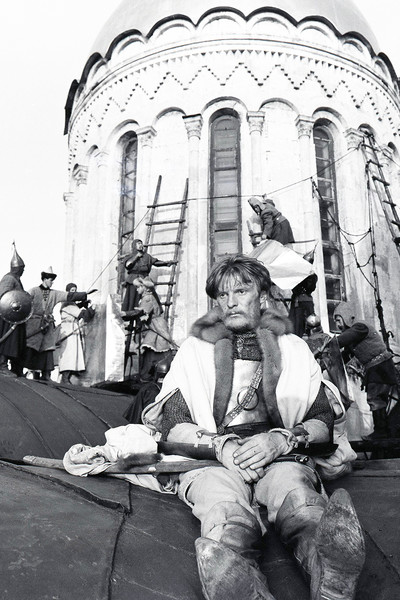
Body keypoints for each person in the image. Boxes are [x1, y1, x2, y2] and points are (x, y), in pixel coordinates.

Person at [143, 255, 365, 600]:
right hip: (215, 459)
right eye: (222, 294)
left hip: (280, 455)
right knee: (222, 509)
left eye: (241, 291)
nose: (230, 302)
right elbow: (174, 423)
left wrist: (280, 441)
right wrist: (223, 448)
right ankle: (241, 585)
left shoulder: (293, 349)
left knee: (299, 499)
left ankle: (330, 575)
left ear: (261, 297)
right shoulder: (193, 352)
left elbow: (321, 419)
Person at [334, 301, 398, 439]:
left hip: (380, 367)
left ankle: (381, 432)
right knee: (376, 398)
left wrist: (325, 344)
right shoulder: (353, 336)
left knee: (376, 399)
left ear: (346, 316)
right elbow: (343, 356)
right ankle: (383, 431)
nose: (337, 325)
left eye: (338, 320)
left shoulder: (360, 327)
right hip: (376, 368)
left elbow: (340, 341)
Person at [24, 268, 95, 381]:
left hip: (47, 324)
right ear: (44, 279)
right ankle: (21, 370)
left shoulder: (55, 293)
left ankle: (46, 374)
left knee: (47, 348)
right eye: (50, 280)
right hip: (34, 323)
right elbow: (23, 302)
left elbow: (69, 296)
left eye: (53, 280)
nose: (52, 282)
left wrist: (85, 293)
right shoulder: (33, 291)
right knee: (30, 346)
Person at [132, 276, 174, 381]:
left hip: (157, 326)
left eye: (138, 287)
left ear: (144, 287)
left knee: (154, 347)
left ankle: (149, 374)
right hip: (154, 325)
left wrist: (129, 314)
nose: (137, 290)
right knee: (152, 348)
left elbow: (142, 312)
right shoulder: (148, 297)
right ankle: (148, 374)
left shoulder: (147, 298)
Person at [121, 239, 176, 313]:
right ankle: (131, 318)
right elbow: (128, 265)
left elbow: (156, 262)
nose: (141, 245)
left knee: (149, 299)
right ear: (134, 245)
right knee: (132, 301)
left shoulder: (147, 256)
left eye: (141, 243)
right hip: (133, 280)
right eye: (138, 243)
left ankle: (147, 317)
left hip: (145, 279)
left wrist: (166, 263)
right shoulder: (130, 256)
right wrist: (136, 256)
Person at [57, 283, 95, 384]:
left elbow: (75, 308)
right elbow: (83, 315)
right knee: (69, 353)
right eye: (72, 291)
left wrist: (82, 304)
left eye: (75, 290)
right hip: (68, 330)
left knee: (74, 353)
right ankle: (65, 377)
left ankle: (70, 376)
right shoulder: (67, 303)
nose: (74, 292)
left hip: (72, 328)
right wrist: (92, 309)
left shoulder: (70, 304)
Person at [0, 244, 27, 377]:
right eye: (22, 268)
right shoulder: (8, 279)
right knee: (8, 341)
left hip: (16, 317)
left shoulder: (16, 280)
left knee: (17, 342)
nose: (23, 270)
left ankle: (16, 367)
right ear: (17, 268)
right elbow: (3, 295)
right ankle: (2, 365)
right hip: (7, 317)